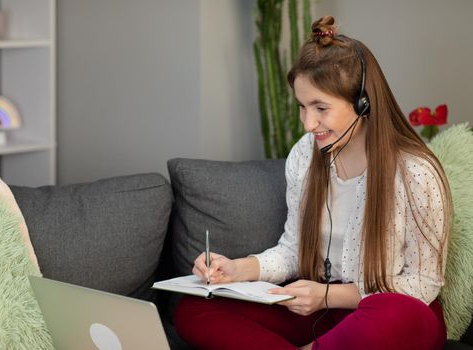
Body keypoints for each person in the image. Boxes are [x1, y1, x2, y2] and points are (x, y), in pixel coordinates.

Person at [174, 15, 452, 350]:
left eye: (320, 107)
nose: (308, 124)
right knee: (195, 308)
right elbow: (292, 250)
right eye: (302, 107)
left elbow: (423, 284)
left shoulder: (416, 173)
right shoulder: (306, 155)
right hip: (318, 308)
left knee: (398, 314)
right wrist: (238, 269)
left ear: (363, 104)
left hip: (378, 312)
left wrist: (328, 296)